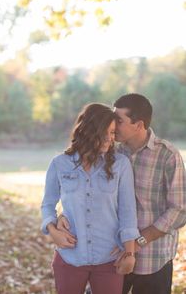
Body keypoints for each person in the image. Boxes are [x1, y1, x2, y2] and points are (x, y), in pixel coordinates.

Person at [58, 94, 186, 294]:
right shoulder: (109, 150)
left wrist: (138, 241)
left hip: (154, 258)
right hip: (111, 256)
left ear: (138, 124)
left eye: (119, 120)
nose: (113, 125)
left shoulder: (167, 155)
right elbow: (81, 190)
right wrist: (61, 217)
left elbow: (179, 209)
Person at [41, 103, 140, 294]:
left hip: (108, 258)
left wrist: (129, 253)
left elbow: (127, 211)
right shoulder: (59, 164)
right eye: (105, 133)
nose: (110, 139)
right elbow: (47, 205)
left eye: (113, 133)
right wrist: (53, 231)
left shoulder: (121, 165)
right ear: (88, 130)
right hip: (70, 257)